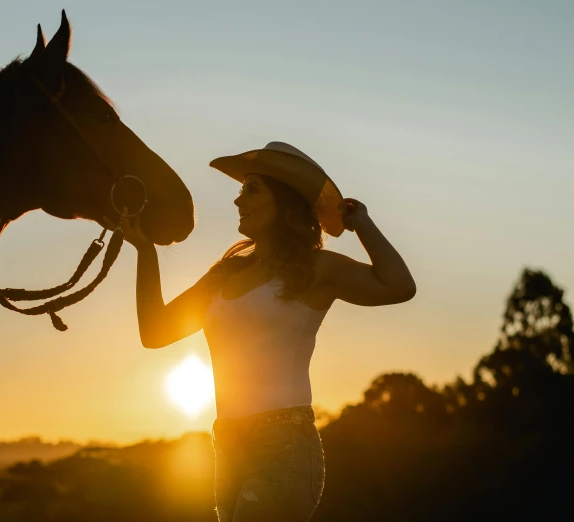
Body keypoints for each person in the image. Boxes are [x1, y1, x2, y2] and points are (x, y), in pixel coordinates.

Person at [109, 141, 416, 521]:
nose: (238, 201)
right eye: (240, 191)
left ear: (284, 202)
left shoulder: (317, 268)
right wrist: (144, 250)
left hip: (284, 446)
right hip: (227, 445)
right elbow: (154, 331)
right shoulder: (224, 273)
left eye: (251, 190)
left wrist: (362, 223)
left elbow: (400, 286)